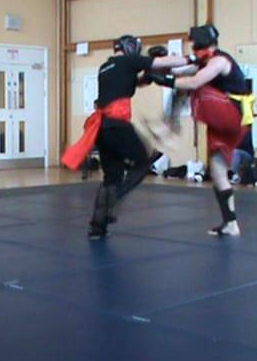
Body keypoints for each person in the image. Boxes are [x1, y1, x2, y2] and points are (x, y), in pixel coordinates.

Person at [62, 35, 185, 239]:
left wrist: (150, 76)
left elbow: (135, 83)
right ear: (130, 48)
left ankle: (97, 227)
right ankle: (116, 198)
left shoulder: (106, 67)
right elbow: (163, 62)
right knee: (144, 161)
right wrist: (193, 59)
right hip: (117, 126)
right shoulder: (128, 61)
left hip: (102, 129)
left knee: (111, 177)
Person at [148, 24, 252, 236]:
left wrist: (165, 80)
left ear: (201, 42)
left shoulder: (219, 61)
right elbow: (180, 73)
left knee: (193, 86)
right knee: (218, 172)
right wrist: (162, 68)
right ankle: (231, 223)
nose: (193, 47)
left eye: (194, 43)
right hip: (227, 123)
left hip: (232, 115)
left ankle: (170, 128)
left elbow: (194, 82)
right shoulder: (205, 62)